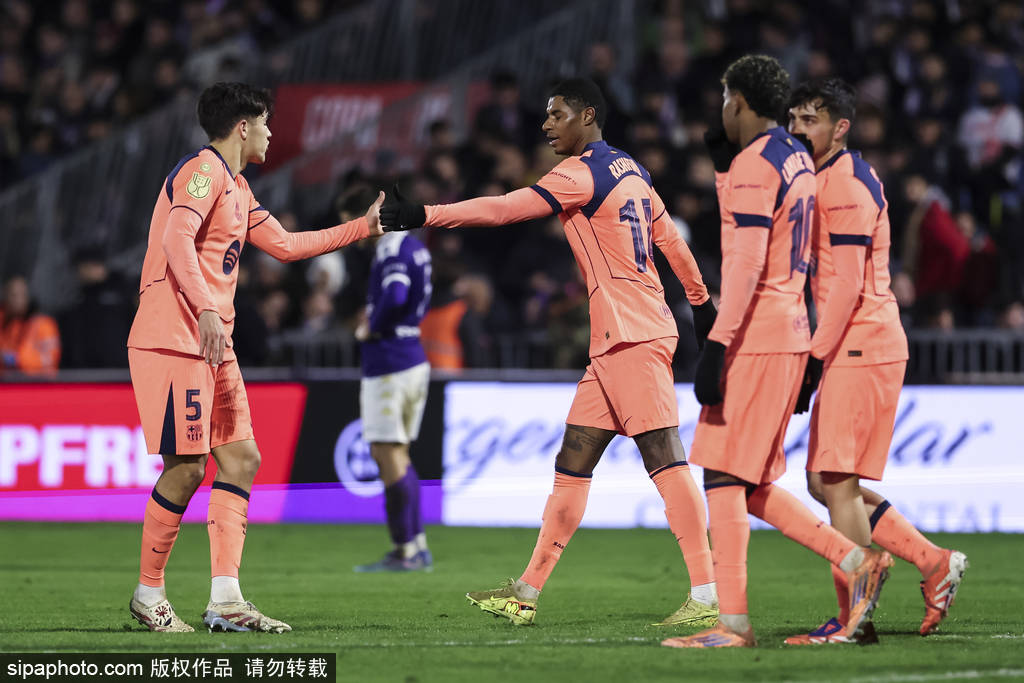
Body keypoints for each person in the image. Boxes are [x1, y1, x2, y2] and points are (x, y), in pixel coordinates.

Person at [381, 77, 720, 628]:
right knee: (572, 463)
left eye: (556, 114)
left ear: (587, 116)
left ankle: (707, 596)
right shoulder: (632, 170)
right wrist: (701, 304)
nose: (545, 125)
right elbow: (672, 243)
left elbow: (504, 209)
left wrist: (424, 214)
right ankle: (525, 592)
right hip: (619, 337)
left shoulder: (581, 173)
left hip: (631, 335)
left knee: (664, 454)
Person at [126, 82, 384, 633]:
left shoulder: (238, 187)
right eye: (265, 123)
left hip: (212, 344)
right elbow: (176, 240)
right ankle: (149, 593)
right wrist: (206, 309)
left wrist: (361, 228)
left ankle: (226, 600)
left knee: (242, 459)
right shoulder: (203, 171)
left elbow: (287, 246)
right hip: (175, 339)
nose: (270, 133)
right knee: (186, 467)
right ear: (243, 126)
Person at [661, 56, 893, 650]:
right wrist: (723, 170)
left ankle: (736, 623)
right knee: (748, 482)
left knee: (721, 476)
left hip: (756, 335)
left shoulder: (758, 162)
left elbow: (745, 260)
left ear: (738, 102)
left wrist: (717, 343)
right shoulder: (794, 156)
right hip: (790, 331)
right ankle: (854, 560)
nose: (721, 109)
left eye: (724, 99)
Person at [784, 77, 967, 644]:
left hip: (859, 342)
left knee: (835, 481)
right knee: (824, 481)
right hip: (856, 343)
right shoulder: (825, 177)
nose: (797, 129)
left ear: (840, 127)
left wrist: (813, 359)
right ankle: (933, 562)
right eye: (793, 118)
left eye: (810, 120)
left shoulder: (846, 184)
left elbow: (845, 285)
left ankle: (853, 618)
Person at [352, 194, 434, 573]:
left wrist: (372, 325)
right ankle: (416, 545)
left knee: (388, 454)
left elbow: (397, 293)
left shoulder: (392, 248)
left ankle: (406, 550)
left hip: (390, 361)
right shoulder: (417, 248)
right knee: (398, 454)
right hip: (411, 355)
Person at [0, 275, 60, 376]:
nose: (18, 300)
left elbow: (50, 359)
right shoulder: (4, 322)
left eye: (22, 295)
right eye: (13, 295)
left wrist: (14, 359)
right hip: (6, 382)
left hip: (36, 382)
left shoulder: (44, 324)